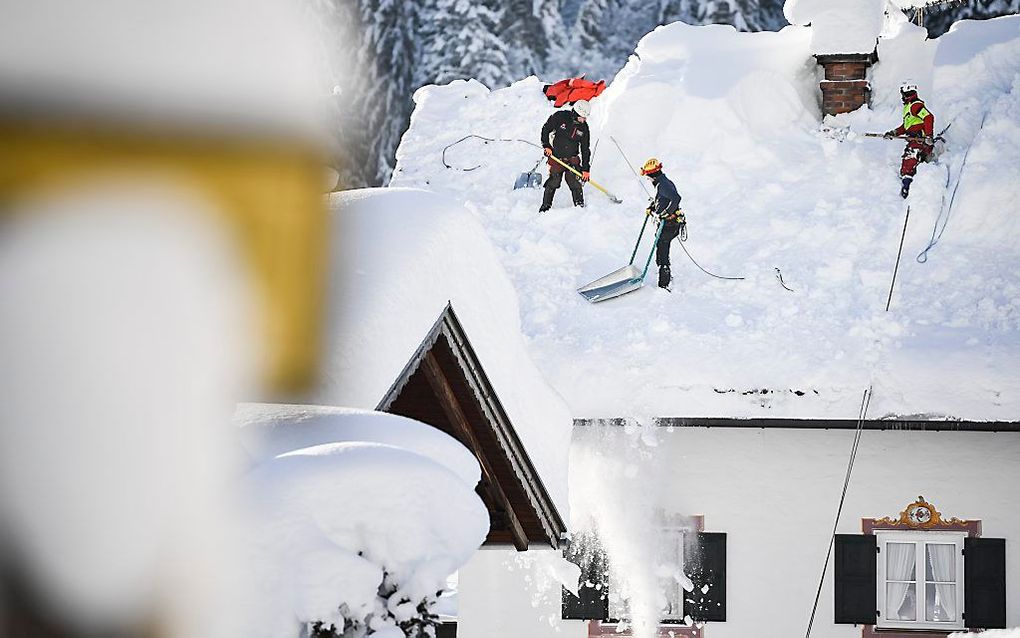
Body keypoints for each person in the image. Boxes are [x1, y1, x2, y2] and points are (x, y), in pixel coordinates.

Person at [539, 100, 592, 212]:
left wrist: (586, 169)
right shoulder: (560, 117)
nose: (584, 120)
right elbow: (546, 129)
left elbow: (585, 149)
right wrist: (546, 146)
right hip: (556, 157)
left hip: (572, 158)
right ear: (576, 113)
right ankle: (545, 207)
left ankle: (580, 207)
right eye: (582, 117)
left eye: (585, 117)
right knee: (554, 181)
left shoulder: (584, 128)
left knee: (574, 182)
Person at [884, 82, 935, 198]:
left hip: (919, 141)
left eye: (903, 94)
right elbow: (906, 126)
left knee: (909, 162)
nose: (902, 97)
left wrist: (928, 136)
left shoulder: (915, 106)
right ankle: (916, 187)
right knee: (914, 163)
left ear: (907, 93)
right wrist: (895, 132)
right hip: (914, 140)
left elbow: (928, 117)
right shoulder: (909, 107)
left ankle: (907, 188)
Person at [640, 157, 685, 290]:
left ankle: (664, 282)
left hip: (670, 224)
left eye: (648, 176)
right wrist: (653, 207)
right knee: (659, 243)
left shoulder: (664, 185)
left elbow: (676, 198)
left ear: (653, 175)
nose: (648, 179)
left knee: (663, 248)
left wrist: (666, 212)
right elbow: (662, 199)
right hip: (665, 223)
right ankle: (660, 267)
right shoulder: (662, 183)